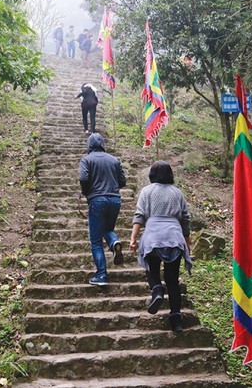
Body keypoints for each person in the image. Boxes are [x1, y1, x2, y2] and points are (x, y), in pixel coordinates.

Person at [130, 161, 193, 332]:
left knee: (152, 269)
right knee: (172, 280)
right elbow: (185, 220)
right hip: (174, 236)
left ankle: (157, 290)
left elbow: (140, 215)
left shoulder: (146, 191)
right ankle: (176, 319)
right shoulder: (177, 193)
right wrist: (188, 245)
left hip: (153, 237)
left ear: (152, 174)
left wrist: (133, 238)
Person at [79, 133, 127, 286]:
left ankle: (101, 275)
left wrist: (87, 192)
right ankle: (114, 243)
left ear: (89, 145)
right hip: (114, 199)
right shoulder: (114, 160)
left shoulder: (86, 160)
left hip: (97, 200)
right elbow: (123, 181)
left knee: (96, 240)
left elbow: (83, 179)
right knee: (107, 228)